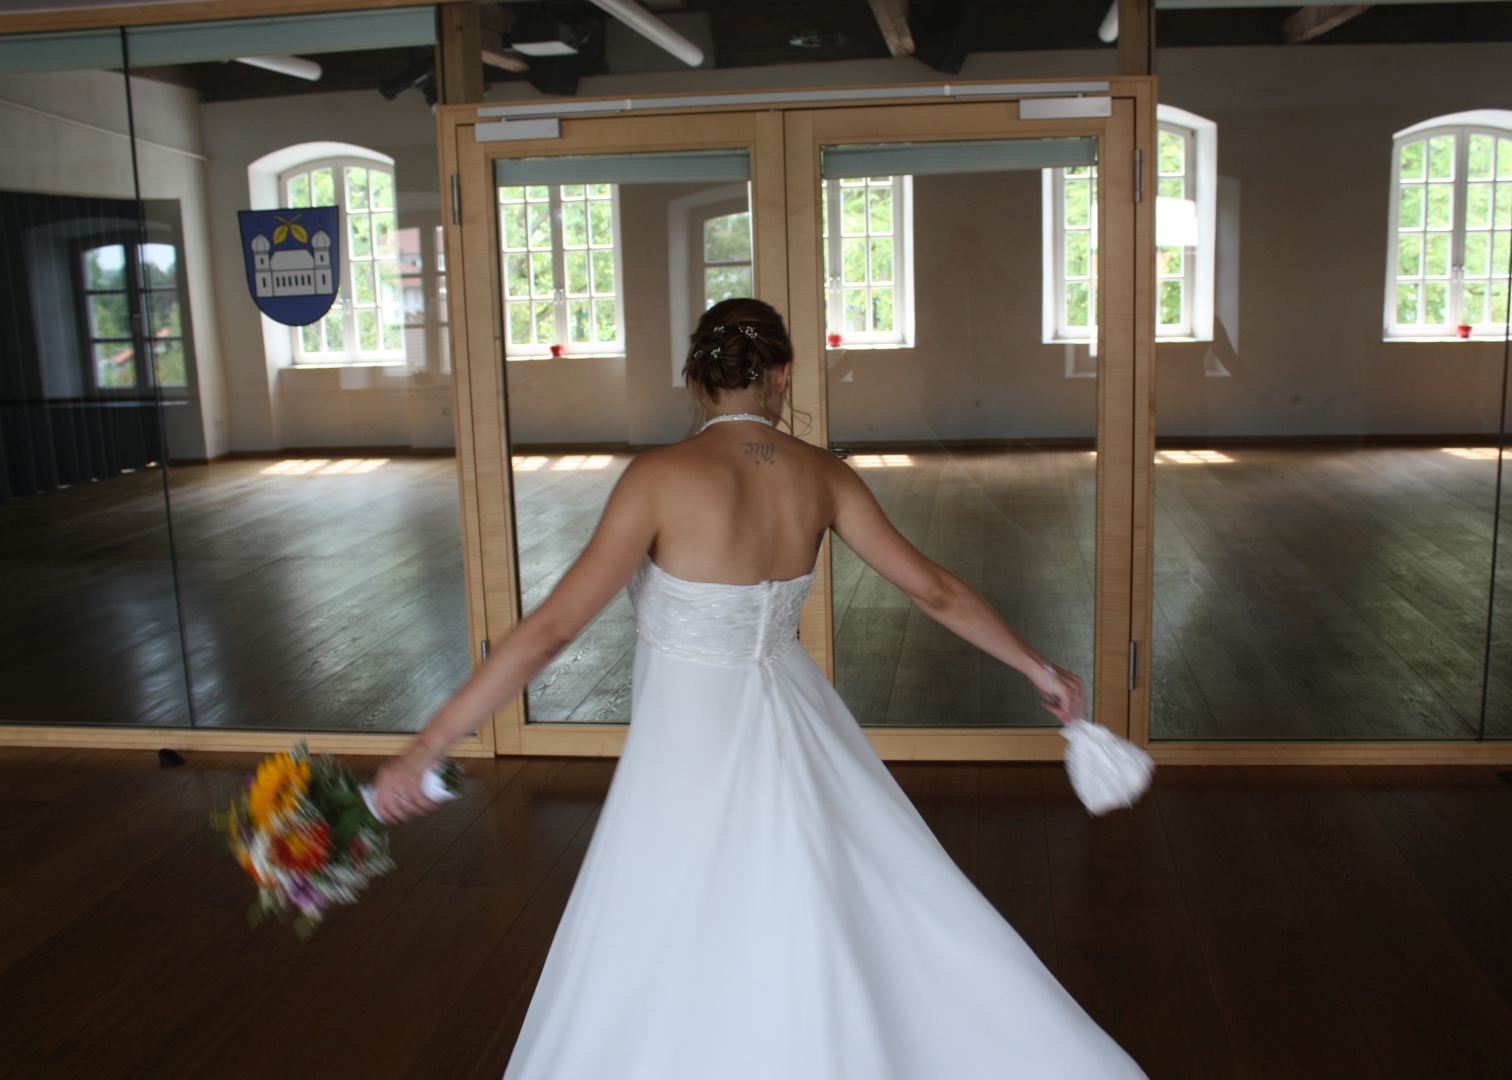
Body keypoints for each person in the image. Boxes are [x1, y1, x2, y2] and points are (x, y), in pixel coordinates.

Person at [373, 298, 1146, 1079]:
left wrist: (428, 744)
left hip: (689, 735)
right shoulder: (825, 476)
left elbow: (551, 630)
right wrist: (1039, 669)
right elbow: (936, 591)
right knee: (826, 897)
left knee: (672, 918)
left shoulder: (659, 478)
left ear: (692, 380)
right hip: (793, 709)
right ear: (782, 376)